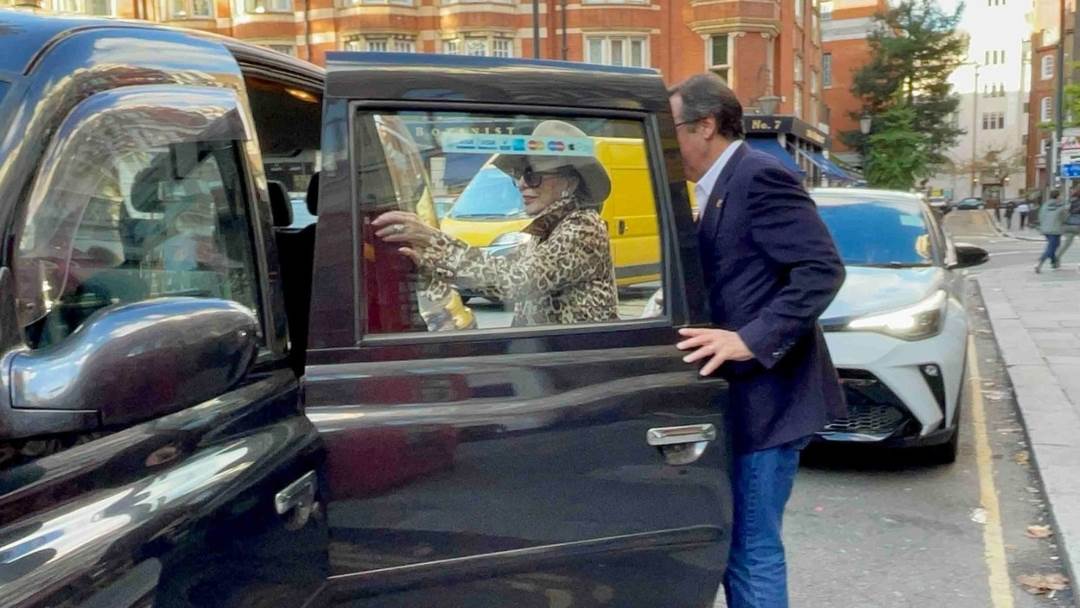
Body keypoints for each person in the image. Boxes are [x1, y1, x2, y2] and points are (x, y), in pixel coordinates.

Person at [669, 73, 846, 608]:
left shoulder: (759, 175)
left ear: (705, 126)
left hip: (772, 403)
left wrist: (751, 339)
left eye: (671, 128)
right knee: (739, 549)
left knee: (751, 551)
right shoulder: (718, 186)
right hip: (745, 402)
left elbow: (821, 270)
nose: (666, 142)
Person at [371, 120, 619, 327]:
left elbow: (515, 282)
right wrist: (430, 262)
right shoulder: (546, 230)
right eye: (519, 175)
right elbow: (495, 273)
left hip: (578, 361)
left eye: (532, 176)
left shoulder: (583, 227)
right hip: (552, 358)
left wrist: (434, 240)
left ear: (569, 183)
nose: (521, 184)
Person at [1035, 189, 1069, 273]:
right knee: (1051, 248)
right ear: (1058, 196)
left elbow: (1040, 216)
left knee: (1054, 246)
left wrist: (1043, 225)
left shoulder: (1045, 205)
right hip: (1055, 230)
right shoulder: (1060, 206)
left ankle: (1054, 262)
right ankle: (1039, 264)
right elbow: (1064, 218)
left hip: (1045, 229)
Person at [1057, 192, 1080, 267]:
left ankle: (1056, 259)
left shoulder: (1070, 202)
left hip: (1068, 225)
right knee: (1067, 243)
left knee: (1066, 244)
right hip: (1078, 226)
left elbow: (1064, 212)